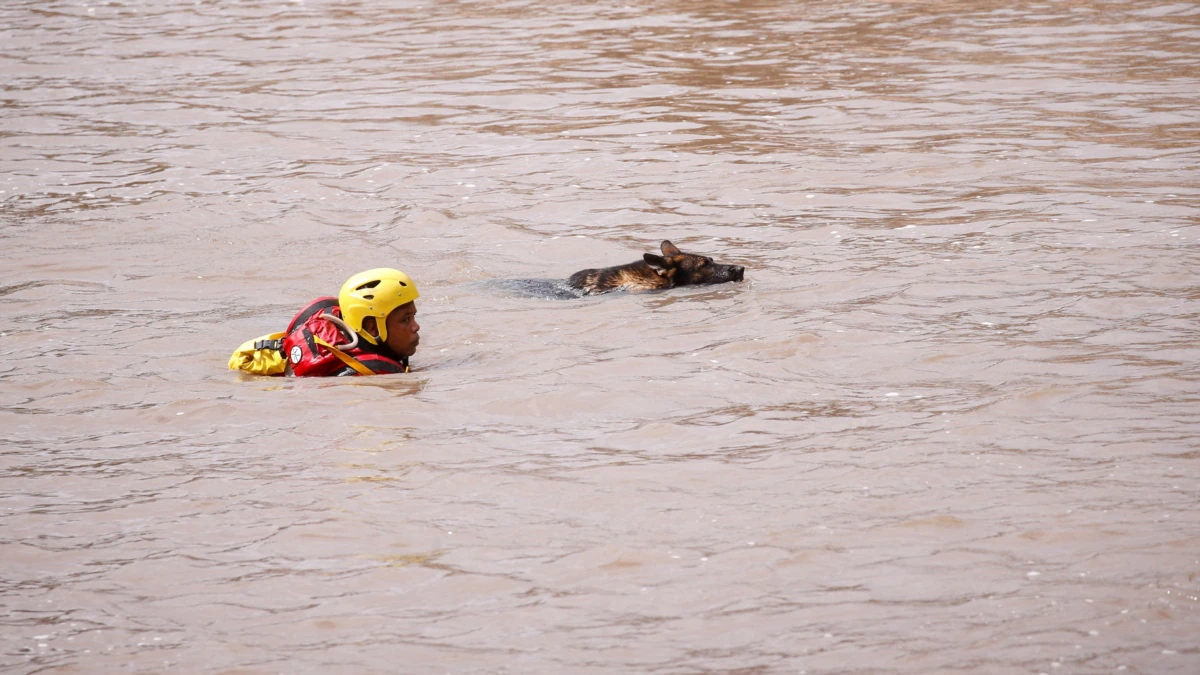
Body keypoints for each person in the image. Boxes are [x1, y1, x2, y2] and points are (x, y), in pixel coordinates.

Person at [229, 268, 420, 377]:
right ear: (372, 327)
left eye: (413, 316)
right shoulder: (370, 374)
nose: (416, 326)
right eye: (405, 320)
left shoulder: (347, 326)